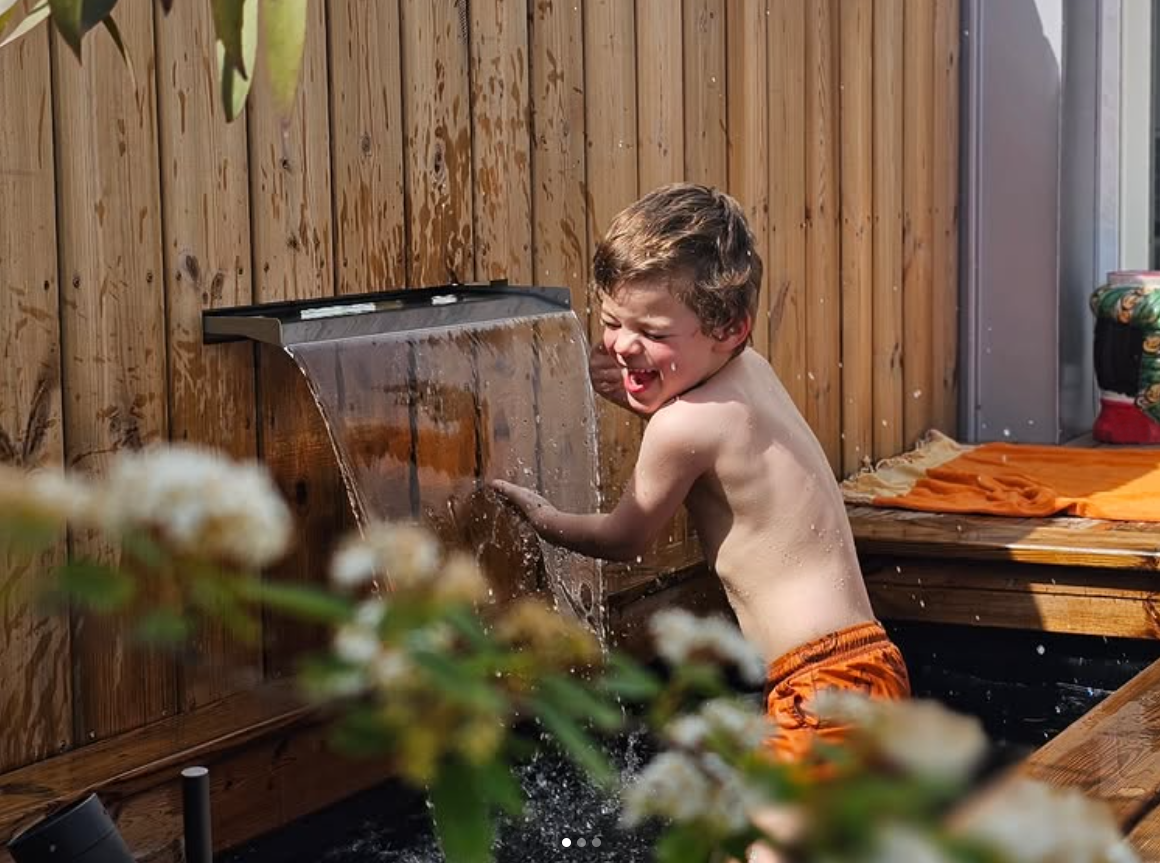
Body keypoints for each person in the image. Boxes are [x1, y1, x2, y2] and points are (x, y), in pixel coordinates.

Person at [491, 182, 909, 762]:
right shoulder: (750, 372)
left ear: (729, 328)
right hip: (866, 662)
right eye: (612, 321)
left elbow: (624, 537)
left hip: (818, 686)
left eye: (654, 334)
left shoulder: (679, 428)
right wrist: (649, 393)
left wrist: (542, 516)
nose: (624, 346)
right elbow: (708, 437)